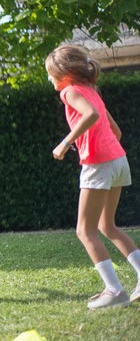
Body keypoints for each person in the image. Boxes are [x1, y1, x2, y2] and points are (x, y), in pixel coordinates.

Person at [46, 44, 140, 309]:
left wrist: (66, 142)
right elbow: (116, 132)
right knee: (107, 227)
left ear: (65, 73)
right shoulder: (92, 91)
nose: (50, 79)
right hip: (118, 160)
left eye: (52, 73)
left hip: (99, 164)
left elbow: (91, 116)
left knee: (84, 230)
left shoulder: (70, 92)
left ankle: (114, 291)